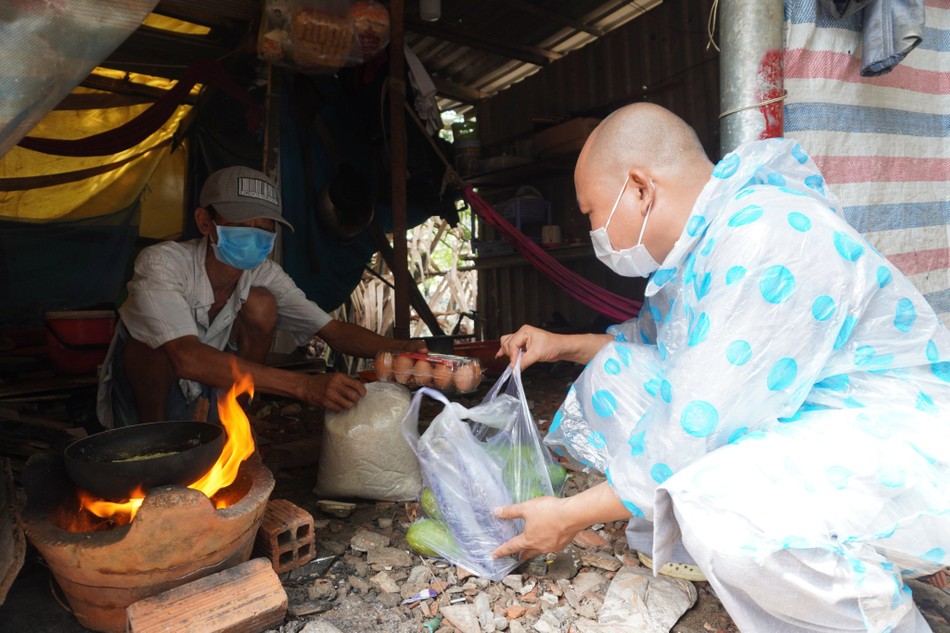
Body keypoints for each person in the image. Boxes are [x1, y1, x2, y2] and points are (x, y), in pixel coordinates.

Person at [492, 103, 950, 632]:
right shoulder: (708, 242)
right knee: (615, 371)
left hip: (901, 445)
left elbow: (691, 425)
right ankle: (694, 542)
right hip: (816, 423)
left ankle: (878, 617)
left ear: (639, 189)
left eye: (591, 211)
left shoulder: (763, 235)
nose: (593, 230)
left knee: (723, 513)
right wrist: (560, 345)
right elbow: (655, 351)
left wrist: (567, 517)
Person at [96, 165, 425, 427]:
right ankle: (153, 441)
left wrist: (401, 349)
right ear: (205, 221)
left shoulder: (263, 272)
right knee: (153, 344)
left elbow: (333, 332)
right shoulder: (163, 262)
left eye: (264, 226)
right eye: (241, 223)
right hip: (145, 398)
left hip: (211, 385)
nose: (253, 234)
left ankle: (237, 416)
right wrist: (305, 387)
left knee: (261, 303)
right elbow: (187, 357)